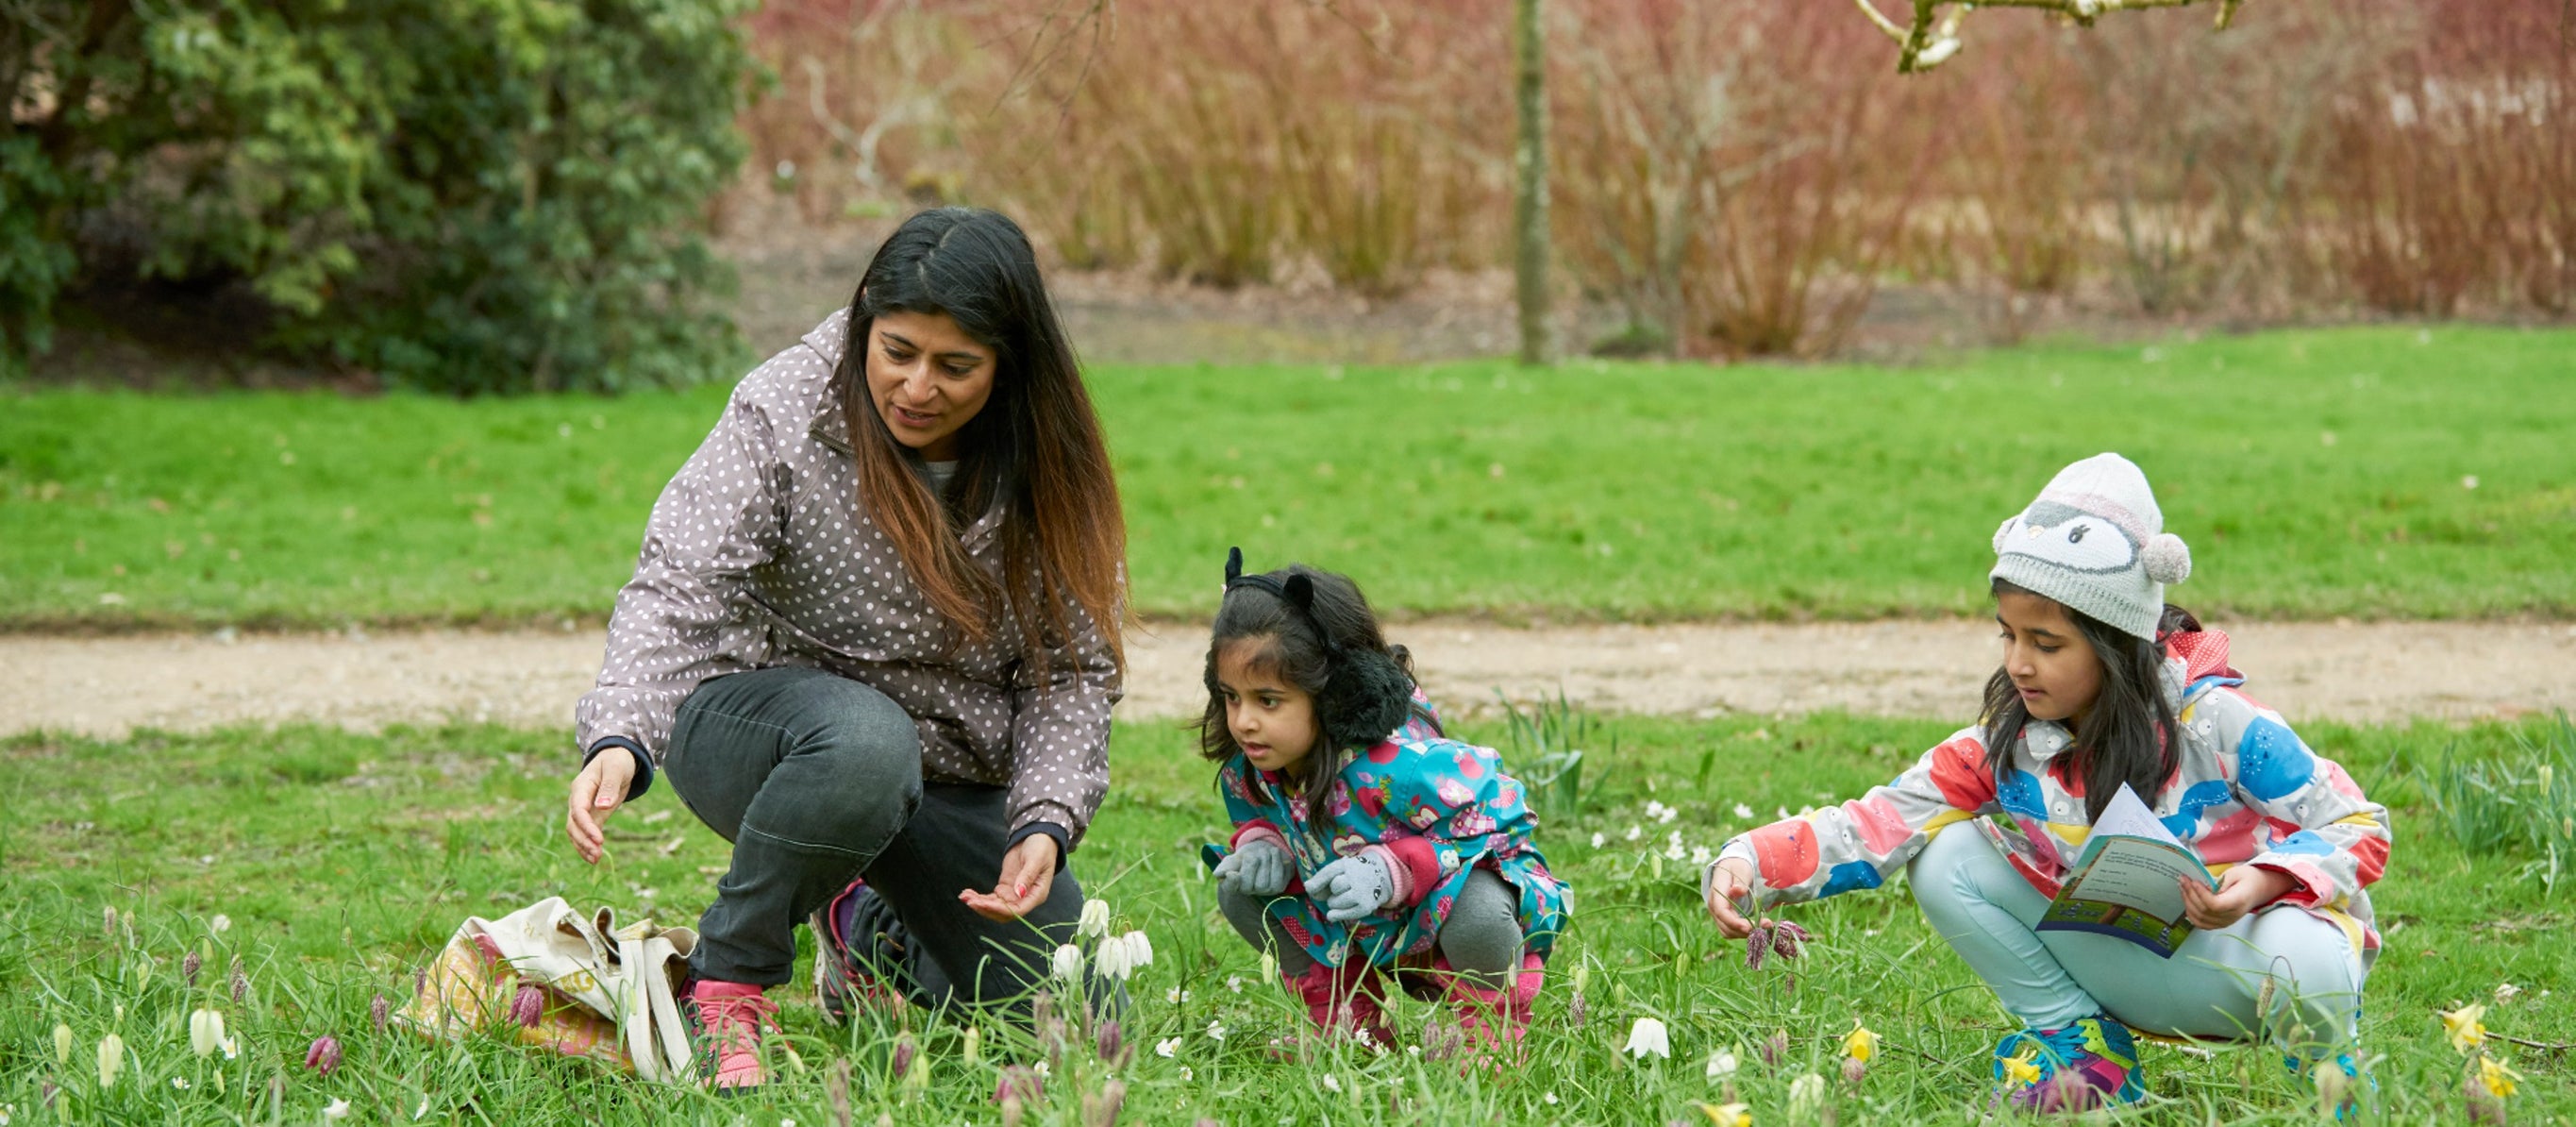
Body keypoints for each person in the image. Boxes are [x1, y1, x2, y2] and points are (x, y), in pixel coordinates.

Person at [561, 207, 1128, 1091]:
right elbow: (681, 581)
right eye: (897, 350)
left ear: (1010, 364)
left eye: (956, 367)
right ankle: (727, 984)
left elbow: (1076, 669)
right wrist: (621, 734)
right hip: (764, 728)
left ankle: (866, 928)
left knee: (1079, 1013)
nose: (917, 387)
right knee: (865, 742)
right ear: (866, 314)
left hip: (942, 773)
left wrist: (1045, 820)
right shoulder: (784, 407)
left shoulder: (1049, 467)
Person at [1702, 453, 2389, 1112]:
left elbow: (2360, 825)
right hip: (2120, 960)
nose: (2019, 665)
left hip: (2245, 962)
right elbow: (1881, 820)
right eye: (2009, 636)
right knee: (1942, 853)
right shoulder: (2009, 741)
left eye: (2047, 644)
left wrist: (2266, 881)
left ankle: (2329, 1084)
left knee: (2313, 951)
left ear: (2119, 643)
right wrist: (1749, 861)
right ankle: (2086, 1059)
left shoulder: (2220, 726)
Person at [1201, 548, 1569, 1053]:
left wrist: (1393, 868)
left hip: (1441, 919)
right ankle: (1349, 1028)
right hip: (1356, 924)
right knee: (1238, 891)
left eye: (1268, 700)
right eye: (1231, 697)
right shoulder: (1254, 770)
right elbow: (1258, 816)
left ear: (1333, 695)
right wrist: (1264, 844)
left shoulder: (1398, 764)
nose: (1243, 721)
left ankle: (1489, 1038)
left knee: (1480, 907)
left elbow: (1501, 817)